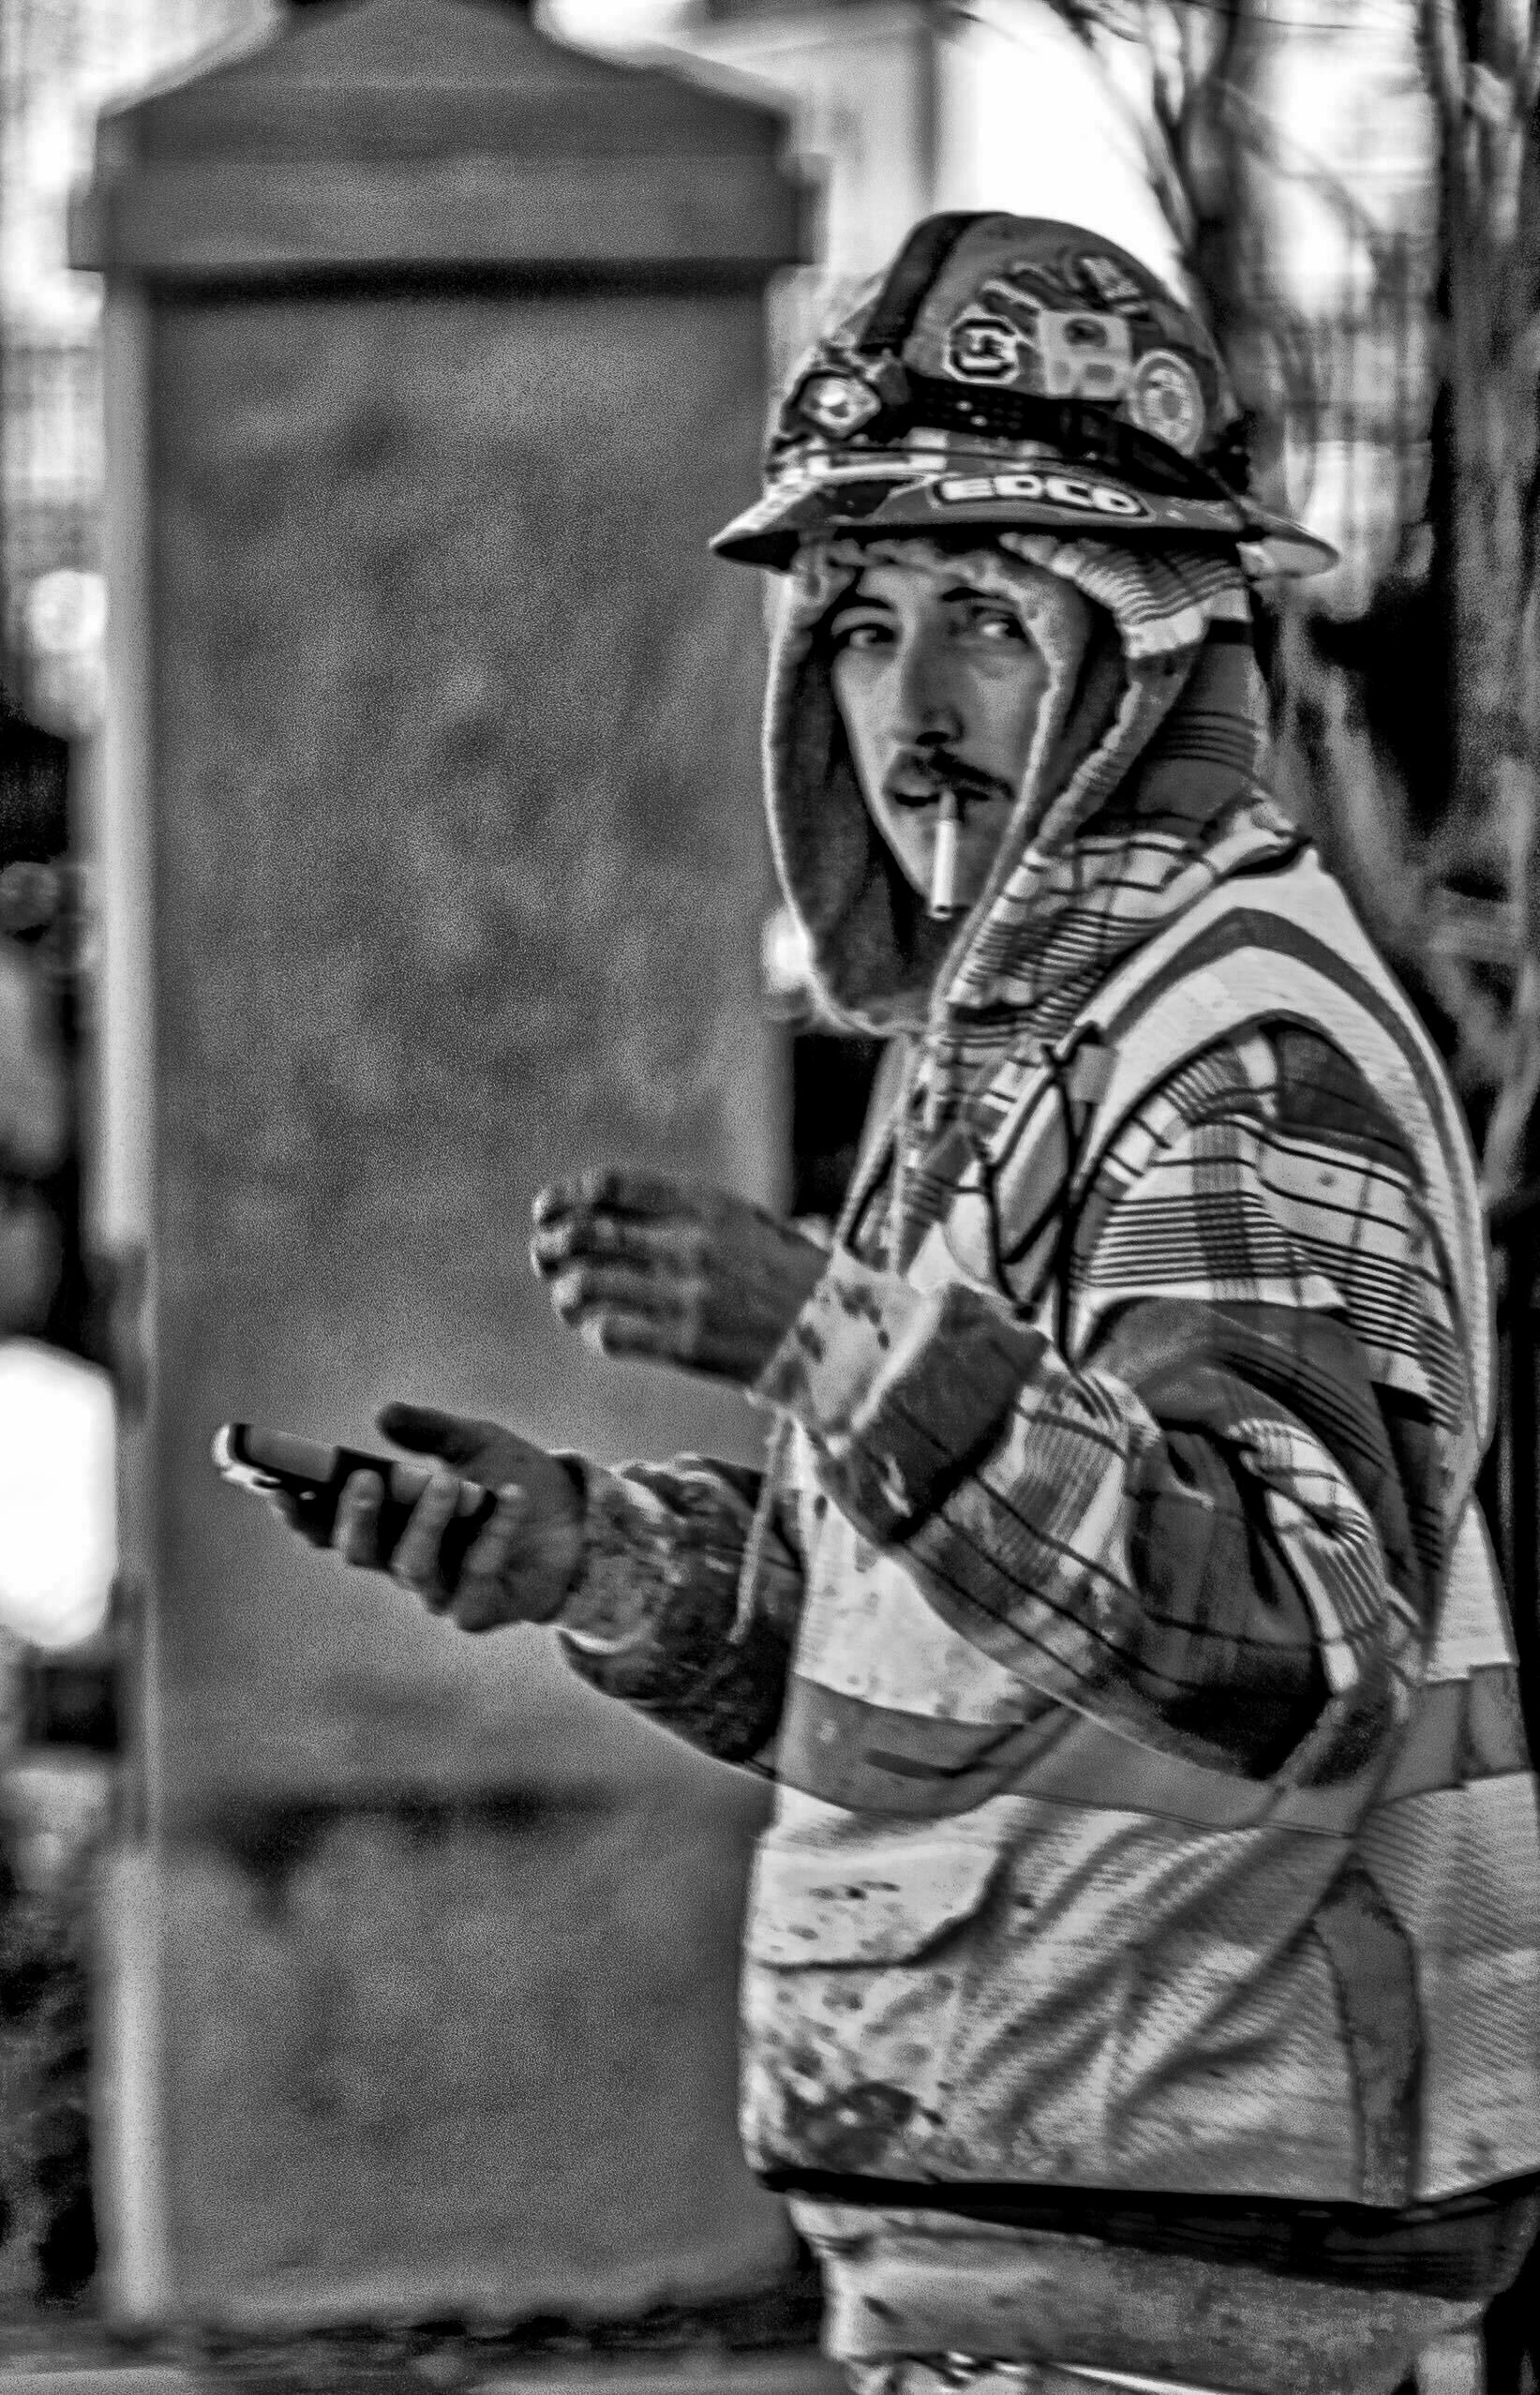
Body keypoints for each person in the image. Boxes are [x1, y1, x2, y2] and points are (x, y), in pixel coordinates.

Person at [271, 217, 1540, 2395]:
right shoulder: (1029, 1044)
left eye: (984, 617)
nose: (913, 717)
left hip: (1208, 2264)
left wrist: (831, 1343)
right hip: (1054, 2252)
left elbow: (1283, 1642)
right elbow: (980, 1653)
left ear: (1146, 651)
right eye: (859, 628)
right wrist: (596, 1559)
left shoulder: (1234, 1056)